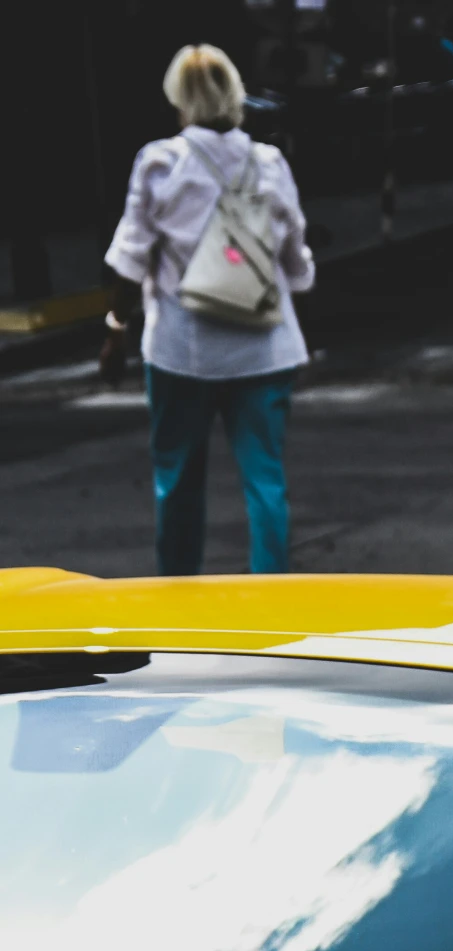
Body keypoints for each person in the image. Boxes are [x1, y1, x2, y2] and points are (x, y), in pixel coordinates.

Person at [100, 45, 315, 576]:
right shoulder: (269, 162)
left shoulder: (159, 163)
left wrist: (115, 329)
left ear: (180, 100)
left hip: (181, 352)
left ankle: (178, 596)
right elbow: (297, 262)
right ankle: (274, 597)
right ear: (236, 95)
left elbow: (129, 260)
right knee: (265, 482)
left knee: (176, 482)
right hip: (265, 349)